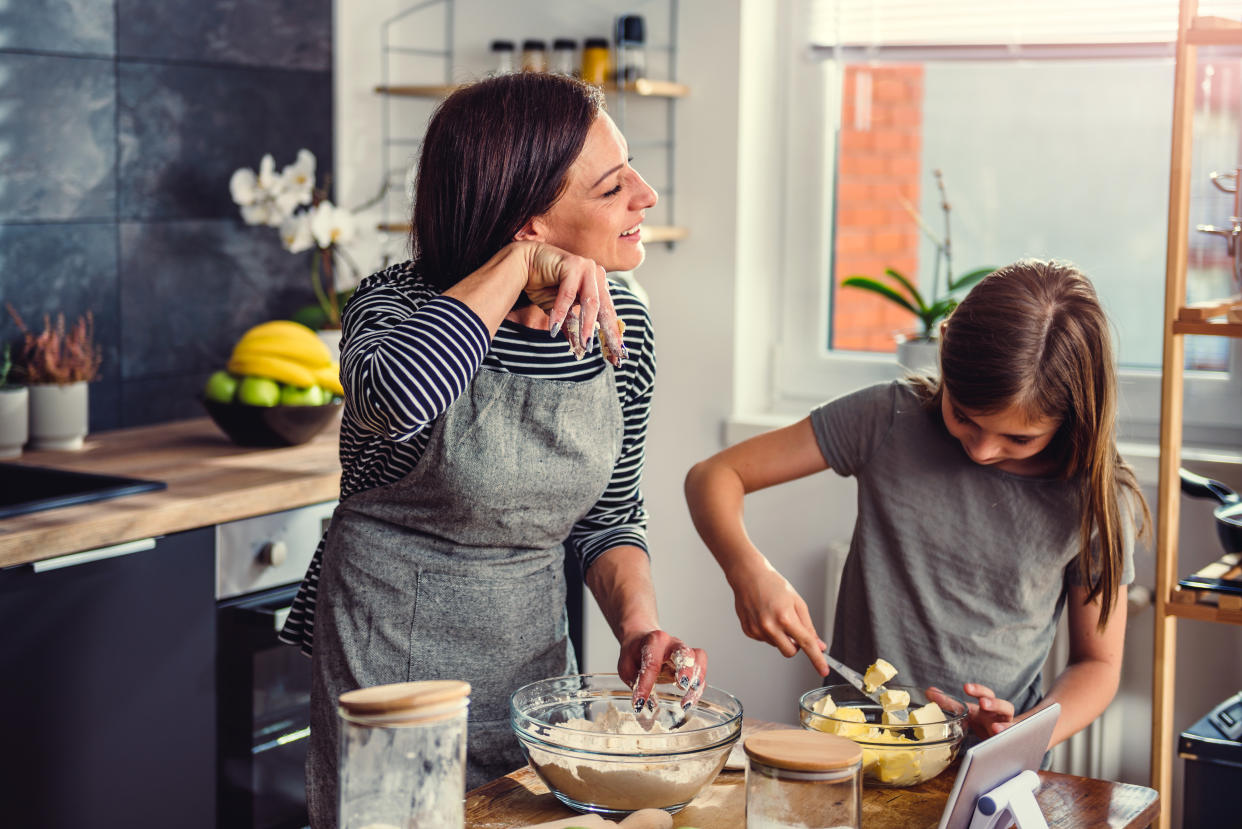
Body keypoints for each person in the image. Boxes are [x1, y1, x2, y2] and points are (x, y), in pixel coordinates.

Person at [279, 72, 707, 825]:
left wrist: (638, 624)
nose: (646, 194)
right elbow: (402, 395)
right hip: (392, 673)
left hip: (534, 675)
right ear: (528, 223)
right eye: (612, 188)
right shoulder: (393, 306)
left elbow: (609, 514)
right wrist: (515, 267)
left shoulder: (621, 324)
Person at [684, 259, 1150, 749]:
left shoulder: (1096, 499)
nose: (983, 449)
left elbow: (1096, 666)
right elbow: (714, 476)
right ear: (945, 349)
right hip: (849, 749)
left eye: (1018, 437)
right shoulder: (887, 418)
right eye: (964, 417)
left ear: (1074, 415)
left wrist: (1021, 732)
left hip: (982, 764)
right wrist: (750, 571)